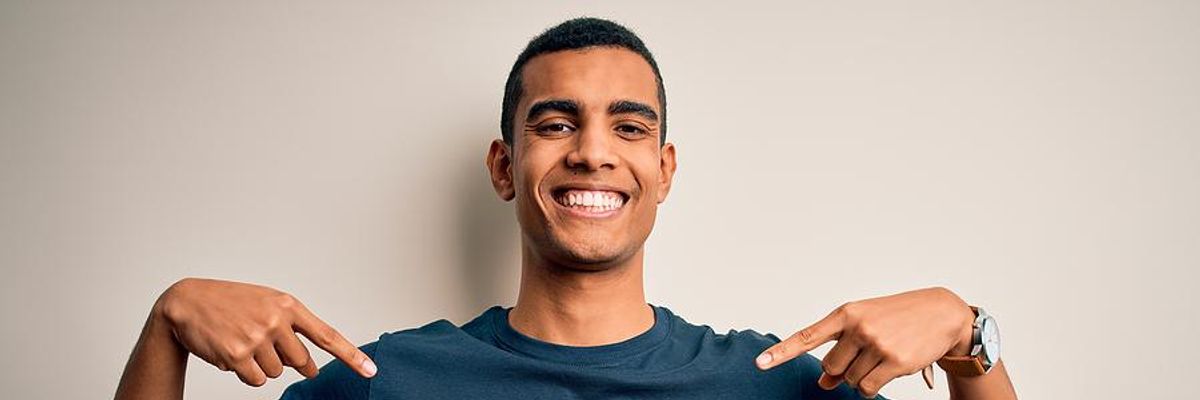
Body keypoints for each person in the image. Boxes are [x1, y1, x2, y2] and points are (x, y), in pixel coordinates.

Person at [115, 17, 1017, 400]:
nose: (592, 149)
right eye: (556, 123)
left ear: (663, 171)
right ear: (506, 167)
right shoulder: (385, 381)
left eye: (628, 127)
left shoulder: (775, 381)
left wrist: (969, 338)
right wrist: (164, 329)